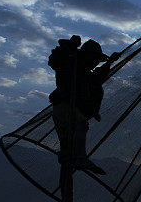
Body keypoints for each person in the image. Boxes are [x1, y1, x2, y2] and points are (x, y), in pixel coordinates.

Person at [48, 37, 120, 175]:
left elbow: (98, 77)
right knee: (79, 125)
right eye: (94, 59)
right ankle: (79, 159)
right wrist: (70, 46)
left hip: (68, 110)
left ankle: (72, 159)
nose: (95, 63)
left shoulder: (86, 74)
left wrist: (110, 61)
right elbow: (55, 60)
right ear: (87, 56)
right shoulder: (70, 64)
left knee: (69, 140)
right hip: (64, 108)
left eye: (97, 61)